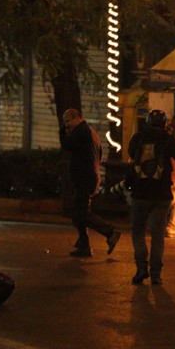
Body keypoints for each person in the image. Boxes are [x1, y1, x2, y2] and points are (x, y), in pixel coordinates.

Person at [127, 109, 175, 285]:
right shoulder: (166, 138)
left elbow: (131, 154)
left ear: (147, 121)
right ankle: (156, 274)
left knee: (138, 231)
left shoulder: (138, 137)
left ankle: (140, 268)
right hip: (162, 194)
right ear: (164, 123)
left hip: (140, 192)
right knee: (157, 234)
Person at [59, 108, 121, 258]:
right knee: (79, 211)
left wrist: (62, 131)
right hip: (90, 175)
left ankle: (109, 233)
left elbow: (66, 145)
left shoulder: (81, 132)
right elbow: (98, 154)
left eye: (68, 121)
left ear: (76, 118)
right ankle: (83, 244)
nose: (67, 125)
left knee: (79, 212)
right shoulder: (91, 132)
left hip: (84, 177)